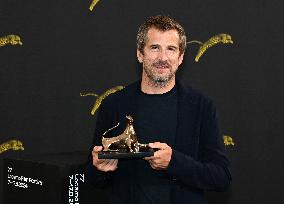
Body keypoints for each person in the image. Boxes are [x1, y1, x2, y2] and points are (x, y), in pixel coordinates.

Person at [86, 15, 231, 204]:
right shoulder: (114, 104)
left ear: (180, 58)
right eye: (154, 48)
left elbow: (221, 177)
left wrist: (174, 163)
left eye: (171, 49)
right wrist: (99, 168)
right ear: (140, 53)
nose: (162, 58)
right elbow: (92, 177)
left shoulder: (201, 106)